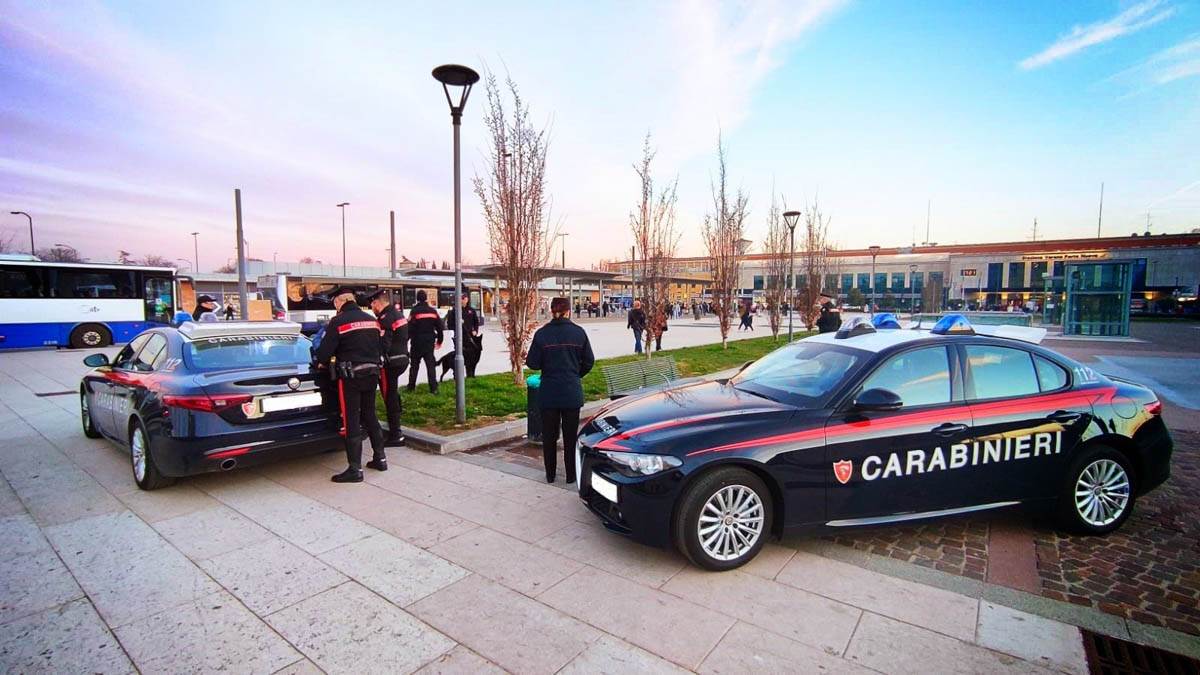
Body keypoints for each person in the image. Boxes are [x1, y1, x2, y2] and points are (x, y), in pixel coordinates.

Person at [314, 288, 388, 483]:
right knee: (370, 415)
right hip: (372, 374)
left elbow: (324, 353)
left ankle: (355, 469)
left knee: (351, 419)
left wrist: (322, 361)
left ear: (339, 302)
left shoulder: (338, 322)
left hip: (351, 377)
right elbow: (381, 347)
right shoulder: (372, 320)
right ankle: (380, 459)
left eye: (335, 304)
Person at [526, 297, 594, 483]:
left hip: (549, 392)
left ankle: (550, 475)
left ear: (551, 311)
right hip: (571, 391)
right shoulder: (579, 333)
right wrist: (575, 374)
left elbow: (532, 363)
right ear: (568, 311)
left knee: (549, 436)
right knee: (570, 437)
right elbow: (589, 361)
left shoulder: (542, 334)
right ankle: (571, 475)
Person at [368, 289, 408, 446]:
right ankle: (397, 421)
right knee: (393, 393)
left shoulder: (385, 319)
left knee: (389, 396)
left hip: (389, 364)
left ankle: (396, 434)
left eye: (372, 305)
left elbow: (383, 344)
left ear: (377, 303)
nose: (372, 308)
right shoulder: (398, 314)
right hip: (402, 359)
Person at [406, 290, 444, 393]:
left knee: (414, 366)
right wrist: (439, 341)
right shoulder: (432, 311)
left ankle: (411, 387)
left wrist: (405, 342)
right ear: (426, 298)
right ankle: (434, 388)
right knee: (430, 366)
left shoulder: (414, 311)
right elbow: (440, 328)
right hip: (429, 343)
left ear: (417, 299)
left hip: (416, 343)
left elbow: (409, 329)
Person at [443, 289, 482, 377]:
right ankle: (457, 376)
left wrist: (475, 330)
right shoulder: (454, 311)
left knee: (470, 357)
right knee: (458, 356)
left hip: (470, 338)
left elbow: (476, 322)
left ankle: (470, 375)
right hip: (459, 338)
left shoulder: (471, 310)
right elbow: (450, 325)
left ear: (467, 299)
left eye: (463, 298)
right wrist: (457, 326)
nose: (462, 300)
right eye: (460, 299)